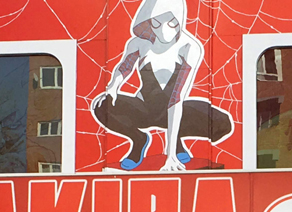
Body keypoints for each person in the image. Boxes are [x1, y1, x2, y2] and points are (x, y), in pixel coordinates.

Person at [91, 0, 232, 171]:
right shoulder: (139, 43)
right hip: (145, 109)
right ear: (148, 20)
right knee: (101, 104)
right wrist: (114, 86)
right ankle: (138, 140)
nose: (164, 30)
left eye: (171, 23)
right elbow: (125, 67)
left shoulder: (189, 47)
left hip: (177, 109)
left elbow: (176, 97)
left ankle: (176, 142)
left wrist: (170, 155)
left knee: (222, 123)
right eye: (157, 23)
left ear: (179, 19)